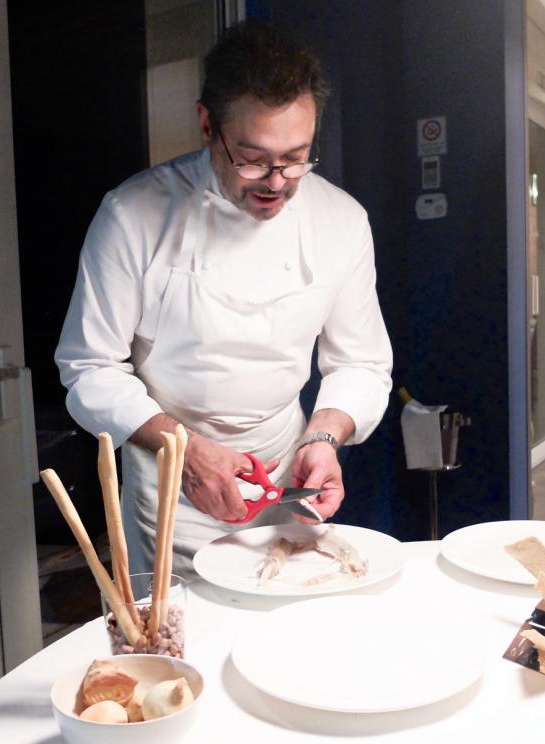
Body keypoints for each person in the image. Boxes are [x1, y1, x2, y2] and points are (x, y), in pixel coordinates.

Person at [55, 21, 393, 571]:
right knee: (175, 641)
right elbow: (89, 367)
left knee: (283, 627)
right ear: (207, 124)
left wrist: (325, 438)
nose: (276, 182)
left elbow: (361, 362)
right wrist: (183, 451)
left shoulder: (342, 220)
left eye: (296, 157)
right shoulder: (132, 214)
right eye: (253, 158)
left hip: (287, 468)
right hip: (169, 484)